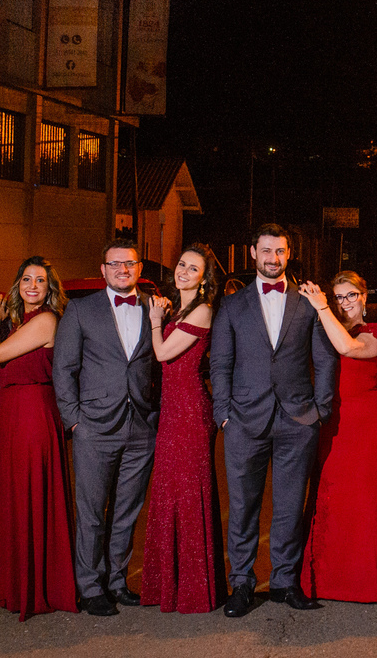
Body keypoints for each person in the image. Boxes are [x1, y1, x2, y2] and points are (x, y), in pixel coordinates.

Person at [211, 223, 338, 616]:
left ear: (288, 254)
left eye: (280, 251)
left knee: (289, 508)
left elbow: (324, 359)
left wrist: (320, 410)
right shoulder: (232, 305)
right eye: (266, 250)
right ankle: (242, 583)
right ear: (253, 253)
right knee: (243, 508)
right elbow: (220, 363)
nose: (273, 258)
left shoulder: (307, 301)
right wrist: (224, 415)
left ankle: (285, 581)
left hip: (297, 421)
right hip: (244, 422)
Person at [53, 238, 159, 617]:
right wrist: (74, 421)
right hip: (94, 428)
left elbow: (159, 365)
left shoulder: (153, 308)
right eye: (115, 264)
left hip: (140, 427)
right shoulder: (81, 310)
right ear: (103, 270)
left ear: (139, 268)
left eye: (129, 263)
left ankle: (117, 581)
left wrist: (155, 415)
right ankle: (90, 586)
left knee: (127, 512)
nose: (122, 270)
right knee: (92, 513)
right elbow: (64, 369)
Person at [297, 271, 377, 603]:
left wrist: (322, 307)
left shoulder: (376, 332)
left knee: (365, 500)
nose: (345, 303)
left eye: (351, 295)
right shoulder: (327, 327)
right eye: (339, 297)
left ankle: (367, 582)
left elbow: (349, 347)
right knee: (333, 496)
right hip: (333, 422)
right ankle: (327, 580)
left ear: (364, 296)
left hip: (367, 424)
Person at [0, 256, 76, 620]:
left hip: (32, 413)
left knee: (30, 496)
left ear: (49, 287)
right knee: (13, 499)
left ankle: (34, 588)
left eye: (39, 280)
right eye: (26, 279)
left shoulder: (46, 320)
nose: (32, 285)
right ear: (18, 285)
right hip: (11, 414)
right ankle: (13, 584)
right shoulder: (19, 321)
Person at [140, 245, 226, 613]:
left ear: (204, 279)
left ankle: (194, 590)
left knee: (189, 496)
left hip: (190, 411)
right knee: (167, 494)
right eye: (181, 265)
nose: (183, 272)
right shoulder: (180, 309)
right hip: (172, 410)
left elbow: (163, 354)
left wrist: (155, 321)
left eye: (193, 269)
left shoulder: (203, 310)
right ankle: (168, 586)